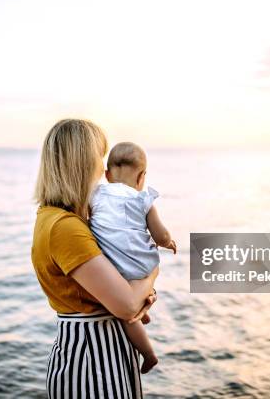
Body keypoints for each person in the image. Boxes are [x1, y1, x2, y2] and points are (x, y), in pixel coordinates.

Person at [31, 119, 158, 398]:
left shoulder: (61, 217)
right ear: (83, 163)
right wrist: (152, 269)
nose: (104, 168)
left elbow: (117, 293)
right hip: (92, 361)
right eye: (100, 157)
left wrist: (141, 294)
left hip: (102, 351)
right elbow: (125, 306)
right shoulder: (64, 227)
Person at [89, 142, 176, 375]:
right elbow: (160, 235)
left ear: (107, 175)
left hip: (110, 264)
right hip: (139, 264)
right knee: (129, 311)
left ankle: (146, 340)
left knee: (124, 310)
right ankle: (147, 340)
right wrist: (169, 243)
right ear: (141, 177)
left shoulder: (95, 195)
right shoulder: (143, 200)